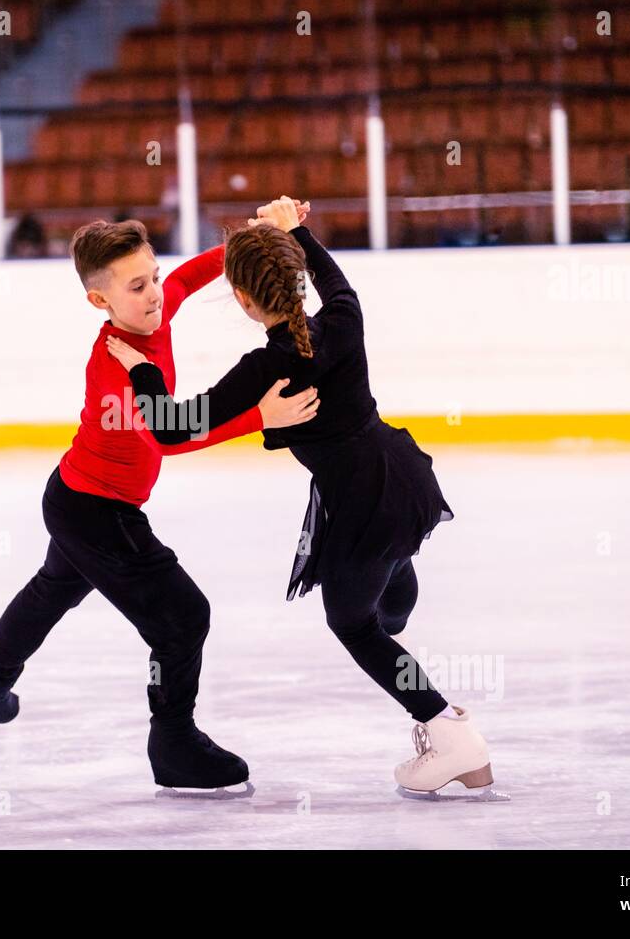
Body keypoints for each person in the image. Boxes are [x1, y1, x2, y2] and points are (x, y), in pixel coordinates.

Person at [105, 197, 505, 801]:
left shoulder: (264, 368)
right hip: (402, 475)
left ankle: (448, 731)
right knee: (388, 584)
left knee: (354, 624)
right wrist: (298, 232)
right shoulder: (343, 318)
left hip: (360, 504)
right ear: (298, 275)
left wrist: (141, 369)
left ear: (243, 300)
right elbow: (336, 283)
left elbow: (168, 427)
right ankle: (400, 594)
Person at [0, 217, 320, 791]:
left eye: (153, 277)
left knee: (51, 591)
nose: (155, 294)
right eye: (137, 286)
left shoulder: (154, 311)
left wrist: (250, 238)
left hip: (75, 495)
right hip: (96, 512)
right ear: (100, 300)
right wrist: (258, 417)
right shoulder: (115, 369)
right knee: (183, 618)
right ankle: (174, 743)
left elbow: (186, 279)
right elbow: (171, 434)